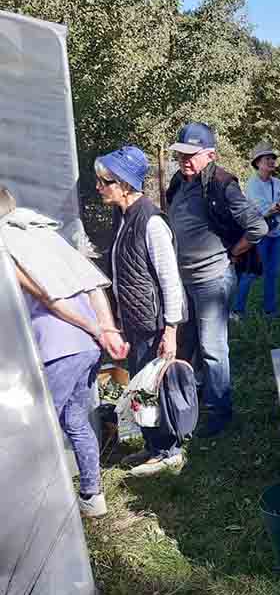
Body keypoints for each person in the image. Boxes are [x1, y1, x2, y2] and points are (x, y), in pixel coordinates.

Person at [0, 184, 129, 517]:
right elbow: (93, 284)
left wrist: (99, 329)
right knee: (75, 419)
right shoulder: (45, 235)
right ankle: (92, 496)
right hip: (86, 349)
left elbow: (47, 298)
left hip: (60, 348)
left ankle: (38, 508)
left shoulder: (6, 247)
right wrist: (105, 329)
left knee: (38, 428)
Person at [165, 122, 268, 438]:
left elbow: (258, 227)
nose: (185, 160)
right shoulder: (178, 183)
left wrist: (233, 253)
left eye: (192, 155)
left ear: (209, 154)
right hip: (185, 280)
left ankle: (220, 412)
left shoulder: (223, 184)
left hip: (213, 280)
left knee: (212, 348)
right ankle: (187, 406)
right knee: (186, 346)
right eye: (181, 153)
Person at [94, 145, 187, 476]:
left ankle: (168, 451)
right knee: (139, 387)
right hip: (134, 321)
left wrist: (171, 330)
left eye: (105, 181)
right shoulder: (122, 217)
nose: (99, 187)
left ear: (125, 184)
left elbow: (170, 281)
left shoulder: (151, 222)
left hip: (153, 324)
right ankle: (153, 447)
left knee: (153, 388)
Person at [232, 141, 280, 318]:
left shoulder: (277, 182)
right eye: (268, 159)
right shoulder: (253, 184)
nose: (272, 162)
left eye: (273, 159)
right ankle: (237, 310)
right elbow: (262, 209)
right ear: (258, 162)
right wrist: (279, 206)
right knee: (251, 272)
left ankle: (270, 310)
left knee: (272, 273)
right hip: (259, 236)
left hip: (276, 233)